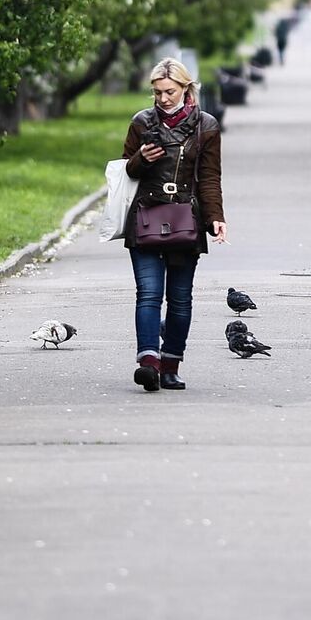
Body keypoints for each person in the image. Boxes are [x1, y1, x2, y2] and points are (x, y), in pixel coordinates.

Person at [120, 57, 226, 393]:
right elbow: (124, 170)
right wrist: (141, 160)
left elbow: (209, 176)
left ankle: (170, 365)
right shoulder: (141, 122)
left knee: (180, 299)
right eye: (157, 93)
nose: (163, 99)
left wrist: (215, 217)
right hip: (146, 217)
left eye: (169, 91)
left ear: (185, 88)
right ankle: (148, 363)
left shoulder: (205, 125)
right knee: (148, 295)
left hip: (186, 221)